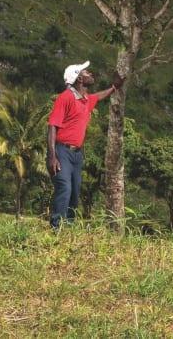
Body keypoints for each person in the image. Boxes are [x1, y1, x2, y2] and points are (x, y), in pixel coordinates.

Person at [47, 61, 123, 227]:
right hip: (62, 151)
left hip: (77, 154)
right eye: (86, 72)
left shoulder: (85, 100)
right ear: (79, 78)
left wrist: (114, 86)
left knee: (74, 193)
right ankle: (56, 227)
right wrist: (52, 156)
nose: (91, 74)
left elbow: (99, 96)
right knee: (65, 188)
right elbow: (52, 126)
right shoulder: (65, 97)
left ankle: (69, 227)